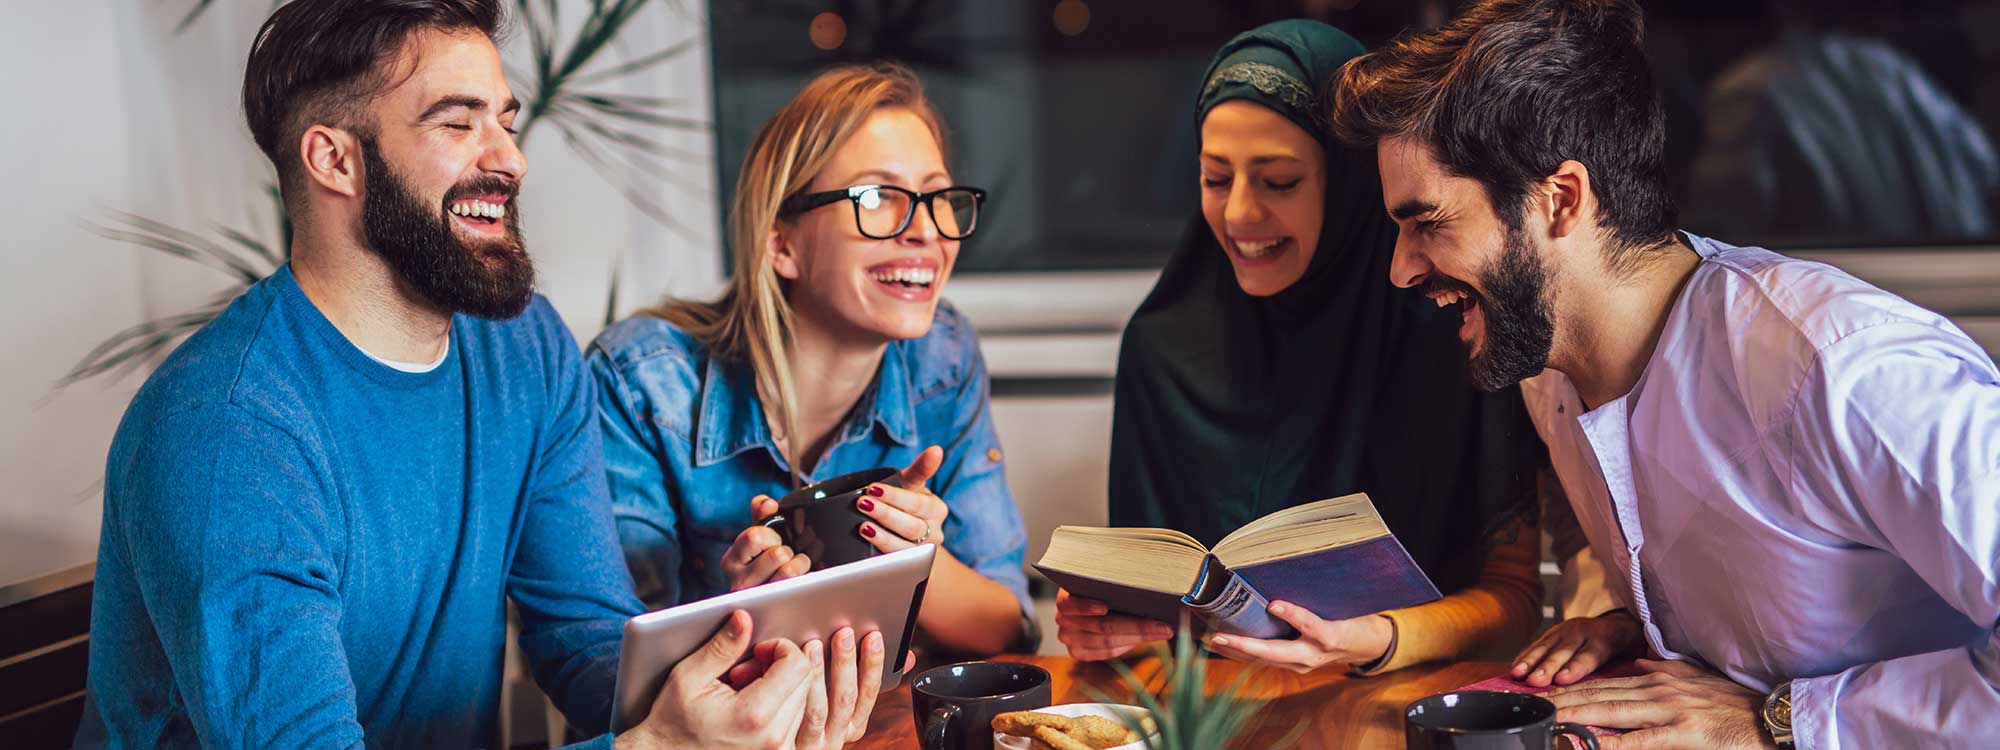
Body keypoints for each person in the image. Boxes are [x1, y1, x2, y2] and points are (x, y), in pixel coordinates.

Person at [74, 2, 880, 748]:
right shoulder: (227, 430)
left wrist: (750, 676)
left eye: (503, 119)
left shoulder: (522, 350)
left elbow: (588, 639)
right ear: (334, 159)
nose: (511, 158)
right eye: (456, 122)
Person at [1333, 0, 2000, 746]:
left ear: (1561, 200)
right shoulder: (1546, 375)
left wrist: (1781, 722)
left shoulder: (1841, 367)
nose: (1400, 269)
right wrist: (1630, 622)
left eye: (1428, 224)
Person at [1057, 20, 1547, 676]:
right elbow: (1153, 618)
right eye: (1213, 178)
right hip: (1220, 716)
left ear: (1352, 185)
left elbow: (1514, 601)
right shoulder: (1161, 348)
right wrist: (1104, 627)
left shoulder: (1453, 335)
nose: (1237, 214)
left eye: (1279, 181)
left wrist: (1380, 638)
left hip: (1396, 702)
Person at [589, 63, 1036, 657]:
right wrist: (746, 617)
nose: (927, 231)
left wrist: (917, 565)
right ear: (782, 244)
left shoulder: (943, 360)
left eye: (939, 197)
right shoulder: (643, 383)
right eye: (879, 197)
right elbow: (609, 666)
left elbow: (1009, 635)